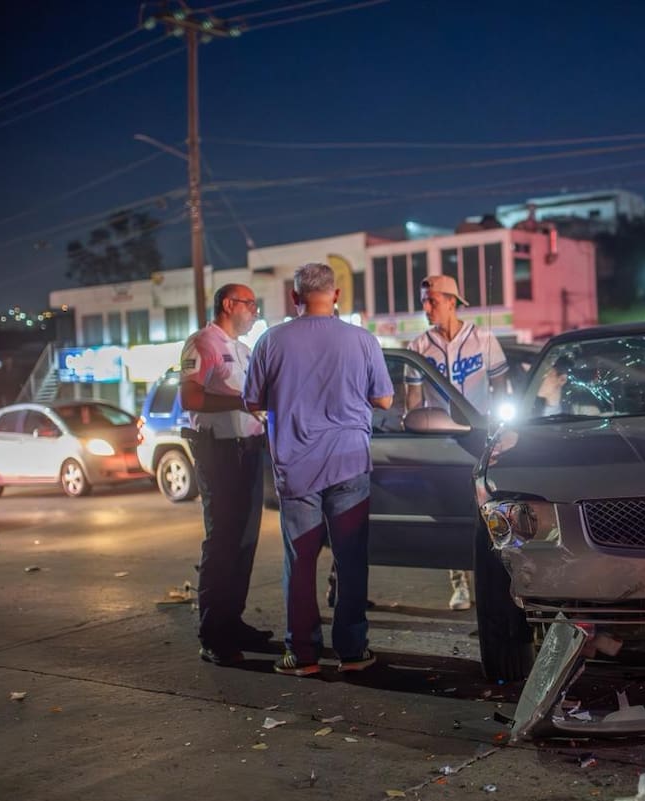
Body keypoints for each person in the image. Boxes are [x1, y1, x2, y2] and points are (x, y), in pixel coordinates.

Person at [243, 263, 393, 677]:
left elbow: (252, 400)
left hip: (296, 466)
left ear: (295, 298)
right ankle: (353, 650)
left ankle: (303, 655)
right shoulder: (363, 341)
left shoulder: (271, 341)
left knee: (301, 560)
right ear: (337, 295)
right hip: (349, 462)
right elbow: (383, 400)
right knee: (351, 560)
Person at [180, 283, 271, 666]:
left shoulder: (245, 350)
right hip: (218, 451)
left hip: (249, 451)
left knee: (245, 541)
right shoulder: (201, 343)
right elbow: (191, 397)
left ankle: (233, 622)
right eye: (250, 304)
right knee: (221, 541)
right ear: (229, 304)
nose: (254, 311)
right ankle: (213, 633)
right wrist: (243, 400)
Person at [405, 274, 509, 611]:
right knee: (449, 509)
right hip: (440, 436)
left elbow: (502, 389)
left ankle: (497, 579)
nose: (426, 307)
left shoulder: (484, 338)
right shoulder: (418, 345)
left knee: (487, 509)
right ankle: (459, 583)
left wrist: (503, 428)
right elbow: (412, 399)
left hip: (480, 435)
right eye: (423, 300)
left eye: (431, 299)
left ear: (452, 300)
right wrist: (414, 426)